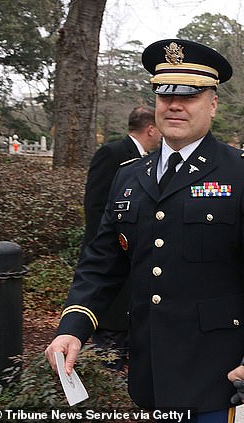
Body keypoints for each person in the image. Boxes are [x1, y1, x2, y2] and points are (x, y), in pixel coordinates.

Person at [45, 39, 244, 422]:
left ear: (212, 104)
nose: (175, 105)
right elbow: (102, 261)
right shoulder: (129, 175)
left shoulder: (243, 173)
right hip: (148, 366)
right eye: (165, 94)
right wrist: (73, 327)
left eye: (190, 95)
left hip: (211, 368)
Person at [82, 105, 161, 370]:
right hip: (115, 259)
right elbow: (96, 210)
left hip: (135, 265)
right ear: (150, 128)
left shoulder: (151, 161)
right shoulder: (112, 154)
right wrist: (110, 253)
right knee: (110, 333)